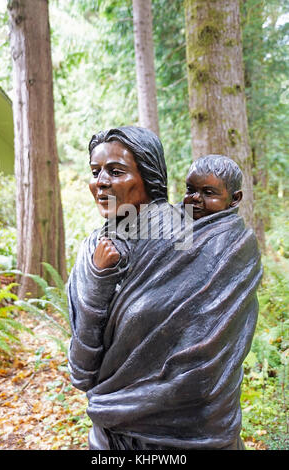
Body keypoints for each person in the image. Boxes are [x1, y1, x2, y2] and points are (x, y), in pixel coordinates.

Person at [67, 130, 263, 450]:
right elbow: (82, 369)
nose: (100, 182)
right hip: (113, 432)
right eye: (94, 171)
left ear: (148, 176)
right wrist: (99, 282)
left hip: (195, 430)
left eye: (115, 171)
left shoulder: (196, 235)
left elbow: (215, 341)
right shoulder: (93, 251)